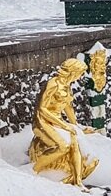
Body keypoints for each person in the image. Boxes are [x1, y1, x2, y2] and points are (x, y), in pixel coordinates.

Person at [29, 58, 99, 187]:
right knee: (63, 146)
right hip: (43, 120)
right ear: (73, 72)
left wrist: (76, 126)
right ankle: (33, 170)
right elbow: (42, 109)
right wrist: (64, 125)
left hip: (57, 120)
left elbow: (68, 107)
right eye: (80, 73)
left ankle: (77, 180)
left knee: (75, 142)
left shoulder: (67, 86)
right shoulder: (53, 83)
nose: (80, 77)